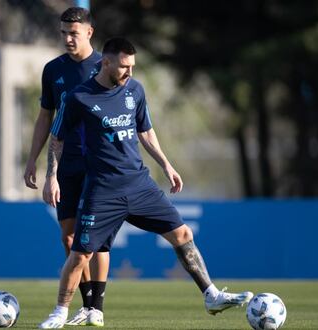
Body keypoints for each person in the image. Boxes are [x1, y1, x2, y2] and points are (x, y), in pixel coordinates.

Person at [39, 37, 253, 329]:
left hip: (140, 185)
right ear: (106, 62)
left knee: (182, 234)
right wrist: (52, 176)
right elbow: (58, 138)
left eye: (133, 66)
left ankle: (211, 295)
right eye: (124, 66)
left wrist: (166, 164)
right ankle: (60, 312)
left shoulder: (135, 91)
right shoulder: (78, 97)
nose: (130, 72)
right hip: (103, 189)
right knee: (80, 254)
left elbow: (145, 131)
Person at [23, 7, 109, 327]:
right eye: (63, 33)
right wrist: (35, 161)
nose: (68, 39)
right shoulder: (53, 70)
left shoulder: (106, 66)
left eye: (74, 33)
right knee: (70, 240)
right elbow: (46, 116)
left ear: (89, 32)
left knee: (94, 239)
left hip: (99, 165)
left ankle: (95, 306)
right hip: (66, 163)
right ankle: (87, 305)